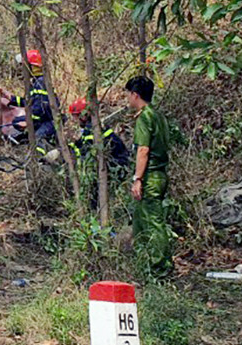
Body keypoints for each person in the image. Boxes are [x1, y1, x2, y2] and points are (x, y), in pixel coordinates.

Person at [126, 76, 175, 279]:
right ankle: (145, 264)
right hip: (159, 175)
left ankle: (160, 269)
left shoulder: (145, 117)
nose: (127, 100)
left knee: (153, 222)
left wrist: (138, 178)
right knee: (142, 221)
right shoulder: (158, 116)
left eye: (128, 95)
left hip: (151, 176)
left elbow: (143, 150)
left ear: (135, 95)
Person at [13, 49, 56, 153]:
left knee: (38, 137)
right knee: (16, 121)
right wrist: (11, 100)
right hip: (41, 118)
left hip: (49, 120)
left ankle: (40, 160)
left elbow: (41, 108)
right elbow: (29, 102)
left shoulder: (41, 83)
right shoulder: (36, 82)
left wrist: (29, 121)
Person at [68, 97, 130, 168]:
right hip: (120, 161)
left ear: (83, 116)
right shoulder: (95, 126)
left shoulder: (91, 130)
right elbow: (81, 144)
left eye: (75, 117)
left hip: (117, 165)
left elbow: (85, 152)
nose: (75, 120)